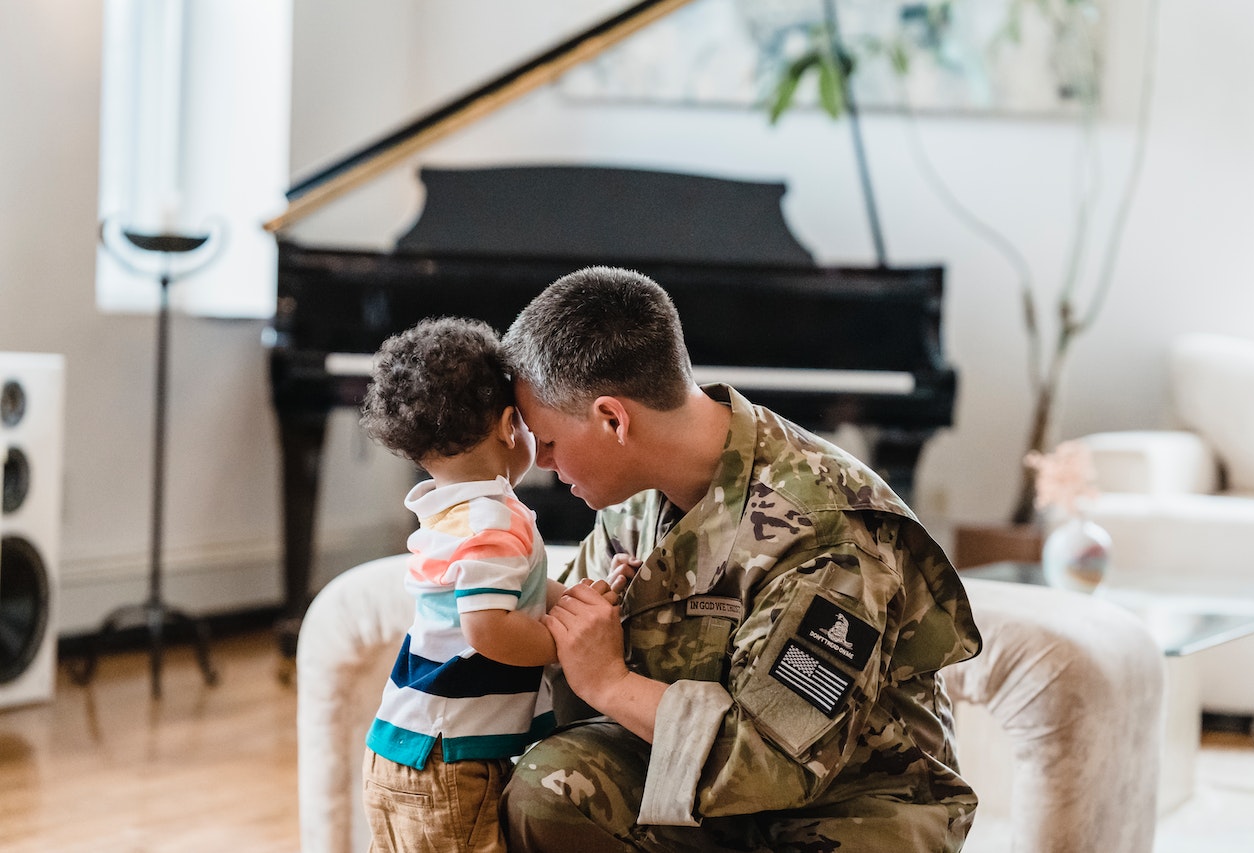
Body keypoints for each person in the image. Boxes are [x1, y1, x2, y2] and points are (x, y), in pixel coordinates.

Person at [498, 267, 984, 852]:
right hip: (702, 795)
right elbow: (558, 659)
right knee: (549, 788)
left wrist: (610, 682)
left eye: (547, 441)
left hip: (853, 809)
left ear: (613, 419)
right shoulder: (635, 504)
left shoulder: (829, 532)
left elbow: (773, 757)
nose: (543, 464)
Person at [358, 316, 620, 853]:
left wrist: (580, 601)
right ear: (508, 427)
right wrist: (568, 643)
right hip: (450, 762)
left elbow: (525, 587)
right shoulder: (494, 521)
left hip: (408, 751)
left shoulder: (449, 514)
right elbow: (486, 628)